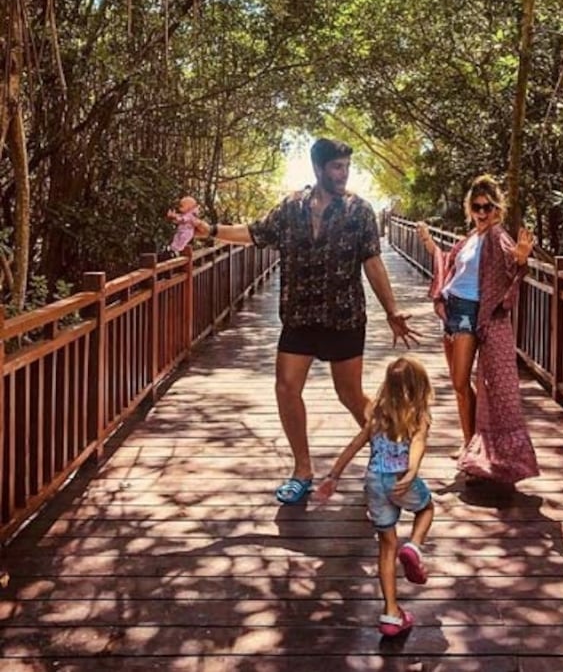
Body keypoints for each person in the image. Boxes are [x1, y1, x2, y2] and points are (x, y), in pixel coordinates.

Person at [192, 137, 419, 504]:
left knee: (348, 394)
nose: (343, 174)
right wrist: (211, 230)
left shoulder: (359, 211)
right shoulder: (290, 209)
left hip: (343, 316)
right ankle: (302, 470)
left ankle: (390, 451)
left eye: (346, 166)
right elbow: (253, 233)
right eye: (336, 167)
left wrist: (392, 310)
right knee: (285, 387)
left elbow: (373, 262)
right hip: (299, 315)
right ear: (318, 168)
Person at [416, 174, 538, 486]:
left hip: (471, 315)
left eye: (488, 208)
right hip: (453, 310)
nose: (482, 213)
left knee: (460, 379)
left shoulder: (497, 236)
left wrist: (522, 258)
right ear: (470, 208)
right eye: (477, 207)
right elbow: (449, 263)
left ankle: (475, 447)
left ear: (498, 211)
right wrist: (430, 244)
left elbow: (513, 263)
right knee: (459, 386)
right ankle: (470, 444)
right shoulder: (471, 237)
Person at [314, 355, 434, 637]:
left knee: (386, 546)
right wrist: (411, 472)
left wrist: (333, 476)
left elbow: (356, 444)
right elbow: (417, 445)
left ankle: (391, 613)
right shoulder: (419, 415)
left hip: (374, 482)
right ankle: (414, 547)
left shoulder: (377, 415)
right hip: (399, 478)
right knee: (426, 509)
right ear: (420, 387)